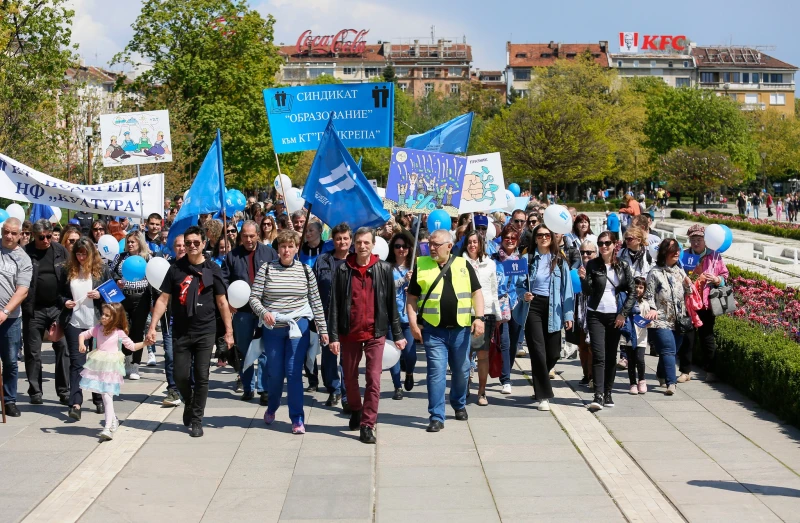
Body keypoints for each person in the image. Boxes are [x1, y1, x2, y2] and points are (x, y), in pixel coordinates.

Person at [146, 226, 234, 437]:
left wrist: (229, 332)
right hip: (182, 331)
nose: (192, 246)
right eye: (188, 243)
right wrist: (151, 327)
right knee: (180, 375)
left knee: (202, 376)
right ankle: (190, 400)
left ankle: (196, 419)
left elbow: (222, 302)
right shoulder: (176, 269)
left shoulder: (212, 268)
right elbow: (163, 299)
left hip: (205, 330)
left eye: (196, 242)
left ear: (204, 244)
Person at [328, 228, 404, 443]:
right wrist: (333, 336)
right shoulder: (343, 270)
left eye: (366, 243)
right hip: (349, 332)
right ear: (353, 244)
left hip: (375, 332)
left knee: (374, 378)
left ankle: (368, 424)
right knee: (350, 378)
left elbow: (391, 305)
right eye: (359, 242)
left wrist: (397, 334)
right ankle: (356, 409)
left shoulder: (383, 269)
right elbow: (334, 305)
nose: (362, 246)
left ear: (373, 244)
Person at [248, 229, 328, 435]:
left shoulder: (305, 270)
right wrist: (264, 312)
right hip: (273, 328)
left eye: (290, 246)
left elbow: (315, 301)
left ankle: (297, 418)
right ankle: (272, 407)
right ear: (278, 249)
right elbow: (254, 297)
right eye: (283, 246)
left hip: (297, 328)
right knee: (275, 373)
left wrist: (323, 329)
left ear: (296, 248)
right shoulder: (266, 269)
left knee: (293, 373)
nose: (286, 250)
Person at [407, 229, 484, 432]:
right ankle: (436, 416)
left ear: (449, 246)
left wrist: (479, 318)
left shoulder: (463, 265)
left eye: (436, 244)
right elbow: (412, 299)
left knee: (461, 371)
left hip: (460, 330)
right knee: (436, 373)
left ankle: (458, 404)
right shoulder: (421, 265)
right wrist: (414, 324)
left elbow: (477, 293)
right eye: (430, 243)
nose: (432, 247)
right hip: (434, 331)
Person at [513, 224, 574, 411]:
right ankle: (544, 396)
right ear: (535, 238)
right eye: (539, 235)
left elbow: (567, 289)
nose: (543, 238)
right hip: (533, 306)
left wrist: (568, 313)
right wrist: (524, 294)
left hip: (554, 307)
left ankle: (539, 381)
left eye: (547, 235)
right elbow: (519, 284)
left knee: (554, 352)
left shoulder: (560, 259)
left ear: (552, 237)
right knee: (538, 351)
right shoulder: (527, 258)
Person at [221, 220, 277, 405]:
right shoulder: (232, 256)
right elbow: (224, 281)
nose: (248, 239)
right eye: (245, 236)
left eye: (252, 235)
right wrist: (229, 301)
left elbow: (277, 276)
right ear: (240, 236)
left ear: (258, 235)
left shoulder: (269, 253)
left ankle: (264, 389)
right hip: (242, 312)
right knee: (244, 350)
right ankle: (247, 387)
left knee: (264, 350)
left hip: (264, 310)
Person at [581, 231, 636, 411]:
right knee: (599, 355)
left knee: (611, 356)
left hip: (615, 316)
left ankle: (608, 392)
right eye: (600, 243)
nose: (603, 246)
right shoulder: (592, 265)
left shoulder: (623, 266)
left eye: (607, 243)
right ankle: (598, 394)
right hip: (596, 313)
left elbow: (632, 292)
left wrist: (623, 314)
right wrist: (584, 279)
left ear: (614, 245)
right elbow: (588, 292)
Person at [59, 238, 114, 420]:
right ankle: (75, 403)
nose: (81, 257)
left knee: (96, 362)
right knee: (77, 362)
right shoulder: (68, 270)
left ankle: (98, 398)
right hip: (75, 322)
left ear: (92, 254)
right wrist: (64, 302)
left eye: (85, 253)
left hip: (97, 323)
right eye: (78, 254)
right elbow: (59, 293)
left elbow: (113, 295)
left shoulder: (102, 270)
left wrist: (99, 295)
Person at [78, 303, 144, 440]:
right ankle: (113, 420)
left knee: (107, 396)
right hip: (99, 364)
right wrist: (81, 344)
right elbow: (83, 335)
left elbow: (131, 346)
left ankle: (108, 427)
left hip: (111, 368)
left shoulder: (119, 333)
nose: (103, 317)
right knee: (104, 395)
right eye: (103, 314)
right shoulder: (98, 328)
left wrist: (146, 343)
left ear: (115, 318)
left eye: (107, 315)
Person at [22, 219, 70, 405]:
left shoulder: (60, 251)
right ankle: (35, 391)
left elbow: (69, 274)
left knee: (63, 347)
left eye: (49, 236)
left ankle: (64, 391)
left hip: (57, 308)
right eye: (41, 237)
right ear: (34, 236)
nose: (46, 240)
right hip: (34, 309)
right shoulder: (26, 253)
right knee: (33, 352)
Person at [678, 225, 729, 383]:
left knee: (707, 337)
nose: (696, 243)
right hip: (688, 303)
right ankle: (685, 371)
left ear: (706, 241)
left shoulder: (714, 256)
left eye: (699, 239)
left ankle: (711, 371)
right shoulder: (684, 255)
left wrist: (717, 279)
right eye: (693, 240)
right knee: (687, 338)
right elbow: (676, 272)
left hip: (707, 303)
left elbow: (724, 276)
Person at [644, 238, 692, 396]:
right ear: (664, 252)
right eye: (673, 250)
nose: (677, 252)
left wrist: (688, 285)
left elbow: (688, 293)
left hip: (678, 320)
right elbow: (648, 295)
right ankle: (671, 383)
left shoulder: (679, 270)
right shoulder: (654, 272)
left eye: (678, 249)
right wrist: (652, 309)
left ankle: (661, 374)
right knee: (669, 350)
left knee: (671, 350)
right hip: (661, 319)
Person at [313, 223, 352, 409]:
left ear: (350, 240)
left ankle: (346, 393)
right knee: (328, 356)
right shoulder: (322, 260)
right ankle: (333, 389)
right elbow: (313, 288)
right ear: (333, 240)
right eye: (338, 238)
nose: (342, 241)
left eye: (345, 238)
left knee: (347, 357)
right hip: (326, 314)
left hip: (349, 315)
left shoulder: (356, 260)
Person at [462, 231, 501, 406]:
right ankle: (463, 387)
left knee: (483, 354)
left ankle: (482, 391)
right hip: (464, 313)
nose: (472, 245)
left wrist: (497, 314)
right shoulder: (459, 263)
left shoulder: (490, 264)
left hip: (486, 313)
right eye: (469, 242)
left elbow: (494, 289)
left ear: (481, 244)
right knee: (464, 354)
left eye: (475, 242)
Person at [0, 218, 32, 417]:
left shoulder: (23, 259)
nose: (9, 236)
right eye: (6, 231)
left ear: (20, 235)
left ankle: (9, 399)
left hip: (10, 318)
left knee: (10, 361)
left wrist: (4, 312)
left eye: (13, 233)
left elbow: (22, 290)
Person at [112, 231, 152, 378]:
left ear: (139, 243)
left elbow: (153, 278)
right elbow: (111, 272)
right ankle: (126, 360)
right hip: (123, 297)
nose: (129, 244)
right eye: (128, 241)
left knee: (138, 331)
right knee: (124, 330)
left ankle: (135, 365)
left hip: (141, 298)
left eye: (133, 242)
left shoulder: (147, 258)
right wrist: (117, 281)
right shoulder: (120, 257)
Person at [385, 231, 418, 399]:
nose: (401, 250)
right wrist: (403, 281)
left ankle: (410, 372)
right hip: (392, 317)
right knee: (394, 353)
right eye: (397, 246)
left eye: (405, 246)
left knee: (410, 354)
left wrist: (413, 289)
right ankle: (397, 386)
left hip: (408, 317)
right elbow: (386, 287)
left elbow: (423, 290)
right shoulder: (386, 266)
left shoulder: (416, 267)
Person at [492, 224, 523, 394]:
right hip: (500, 306)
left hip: (517, 305)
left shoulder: (521, 261)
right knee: (504, 342)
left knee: (513, 344)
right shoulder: (494, 259)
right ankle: (506, 379)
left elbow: (523, 283)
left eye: (513, 238)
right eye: (507, 238)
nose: (510, 241)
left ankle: (507, 371)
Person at [623, 277, 650, 395]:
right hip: (629, 337)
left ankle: (642, 380)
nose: (638, 289)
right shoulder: (626, 301)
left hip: (641, 337)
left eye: (641, 287)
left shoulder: (645, 304)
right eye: (636, 286)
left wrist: (648, 322)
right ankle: (632, 383)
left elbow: (649, 321)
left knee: (640, 359)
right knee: (631, 361)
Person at [576, 240, 597, 388]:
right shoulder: (576, 269)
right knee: (582, 346)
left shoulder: (599, 269)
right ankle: (585, 374)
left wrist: (585, 279)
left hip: (594, 313)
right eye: (582, 252)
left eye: (589, 252)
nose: (585, 255)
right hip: (579, 314)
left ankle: (593, 376)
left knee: (592, 347)